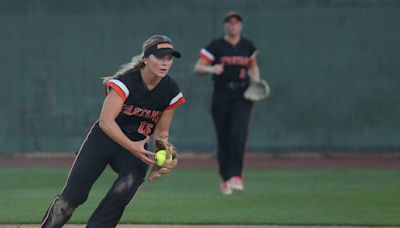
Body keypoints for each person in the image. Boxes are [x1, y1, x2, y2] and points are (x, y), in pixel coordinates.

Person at [41, 35, 185, 227]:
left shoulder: (170, 90)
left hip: (136, 145)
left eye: (169, 58)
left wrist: (163, 152)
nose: (165, 63)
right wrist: (133, 147)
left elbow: (161, 132)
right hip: (103, 140)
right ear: (146, 58)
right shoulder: (126, 82)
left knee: (130, 182)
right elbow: (106, 122)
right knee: (73, 197)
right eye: (159, 57)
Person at [194, 11, 261, 195]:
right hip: (221, 94)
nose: (233, 25)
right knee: (224, 138)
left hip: (242, 94)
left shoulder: (247, 46)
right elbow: (198, 67)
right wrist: (211, 68)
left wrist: (255, 83)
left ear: (241, 26)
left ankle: (236, 176)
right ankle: (225, 178)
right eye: (230, 22)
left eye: (236, 22)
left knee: (238, 133)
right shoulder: (216, 46)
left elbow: (254, 68)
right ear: (225, 26)